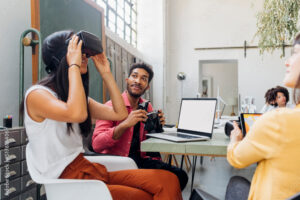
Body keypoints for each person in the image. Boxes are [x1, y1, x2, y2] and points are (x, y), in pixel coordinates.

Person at [23, 30, 182, 200]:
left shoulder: (76, 98)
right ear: (63, 57)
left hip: (86, 169)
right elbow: (76, 114)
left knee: (169, 180)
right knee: (142, 196)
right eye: (79, 53)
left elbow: (119, 113)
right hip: (69, 182)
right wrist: (74, 66)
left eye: (84, 54)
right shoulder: (37, 95)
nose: (84, 58)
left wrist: (106, 72)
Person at [226, 32, 300, 199]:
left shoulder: (278, 120)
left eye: (295, 53)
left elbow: (237, 159)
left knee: (235, 182)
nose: (287, 61)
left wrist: (235, 139)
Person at [92, 63, 188, 190]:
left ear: (147, 87)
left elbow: (149, 139)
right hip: (120, 162)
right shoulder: (110, 107)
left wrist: (158, 127)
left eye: (143, 78)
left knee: (181, 176)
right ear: (127, 80)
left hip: (142, 159)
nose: (137, 81)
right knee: (169, 182)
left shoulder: (147, 106)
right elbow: (97, 145)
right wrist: (125, 124)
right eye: (134, 76)